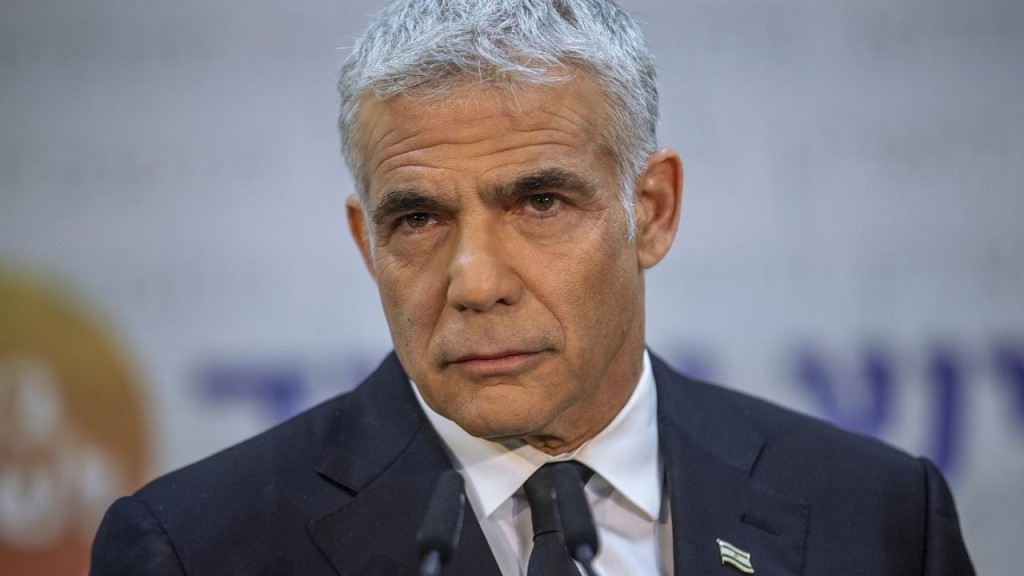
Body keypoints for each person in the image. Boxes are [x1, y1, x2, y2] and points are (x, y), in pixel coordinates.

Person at [90, 0, 975, 574]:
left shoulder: (880, 516)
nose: (474, 283)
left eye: (540, 203)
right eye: (418, 219)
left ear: (651, 212)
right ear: (367, 244)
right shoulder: (195, 547)